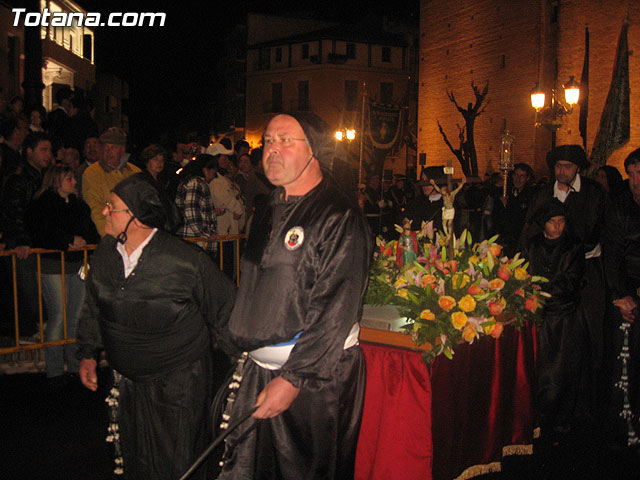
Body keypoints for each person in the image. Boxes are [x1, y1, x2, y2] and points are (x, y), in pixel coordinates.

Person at [217, 112, 372, 479]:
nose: (272, 149)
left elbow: (335, 311)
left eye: (286, 140)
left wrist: (292, 380)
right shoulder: (268, 208)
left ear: (314, 150)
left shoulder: (339, 217)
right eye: (268, 141)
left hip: (315, 380)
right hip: (259, 370)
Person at [76, 173, 236, 479]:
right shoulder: (106, 253)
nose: (104, 211)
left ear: (136, 218)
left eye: (112, 207)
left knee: (178, 461)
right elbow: (94, 306)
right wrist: (87, 353)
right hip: (127, 382)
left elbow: (226, 311)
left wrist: (250, 373)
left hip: (178, 385)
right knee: (135, 458)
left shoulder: (185, 261)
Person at [520, 145, 608, 430]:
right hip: (547, 269)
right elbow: (530, 230)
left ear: (577, 169)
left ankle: (583, 409)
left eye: (567, 167)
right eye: (558, 166)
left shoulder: (593, 194)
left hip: (586, 270)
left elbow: (598, 232)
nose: (562, 171)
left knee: (590, 339)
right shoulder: (545, 193)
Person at [25, 165, 99, 382]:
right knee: (58, 316)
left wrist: (87, 241)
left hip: (76, 265)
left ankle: (75, 365)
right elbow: (40, 233)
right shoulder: (42, 204)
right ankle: (55, 369)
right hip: (53, 266)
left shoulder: (78, 205)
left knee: (74, 317)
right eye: (69, 178)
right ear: (57, 180)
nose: (74, 182)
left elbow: (90, 230)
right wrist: (66, 241)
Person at [522, 199, 584, 443]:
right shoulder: (532, 244)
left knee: (559, 372)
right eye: (552, 222)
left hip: (562, 317)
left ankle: (558, 424)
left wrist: (544, 287)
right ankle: (537, 420)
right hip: (538, 315)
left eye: (561, 222)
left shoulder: (572, 246)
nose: (557, 227)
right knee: (536, 370)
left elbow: (572, 279)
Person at [603, 148, 640, 450]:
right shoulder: (618, 208)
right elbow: (612, 256)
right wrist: (621, 296)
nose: (638, 180)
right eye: (633, 173)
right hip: (629, 296)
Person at [82, 127, 140, 236]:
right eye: (105, 147)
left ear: (122, 150)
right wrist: (109, 237)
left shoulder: (135, 172)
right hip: (110, 235)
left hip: (134, 234)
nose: (108, 152)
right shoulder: (92, 173)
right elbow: (95, 208)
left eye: (113, 147)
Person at [175, 154, 219, 256]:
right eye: (213, 173)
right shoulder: (196, 183)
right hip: (197, 243)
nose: (213, 177)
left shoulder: (188, 182)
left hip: (192, 241)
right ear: (205, 170)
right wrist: (206, 234)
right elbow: (191, 211)